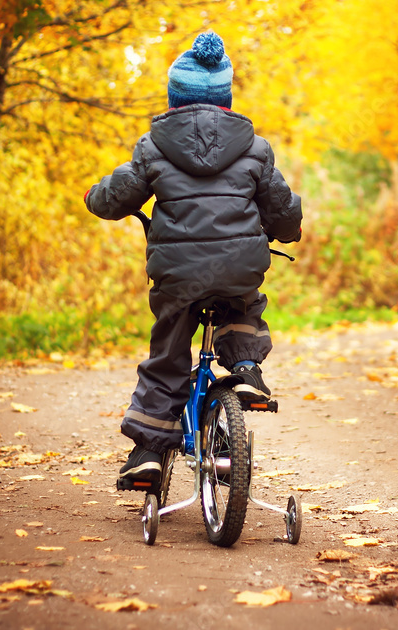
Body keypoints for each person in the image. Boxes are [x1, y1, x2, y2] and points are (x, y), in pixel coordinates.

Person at [84, 31, 302, 488]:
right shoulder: (255, 149)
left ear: (174, 98)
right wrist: (288, 231)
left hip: (177, 272)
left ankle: (148, 449)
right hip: (240, 264)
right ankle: (245, 370)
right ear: (226, 99)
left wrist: (95, 197)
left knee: (168, 349)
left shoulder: (153, 147)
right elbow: (282, 209)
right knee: (243, 301)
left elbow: (116, 197)